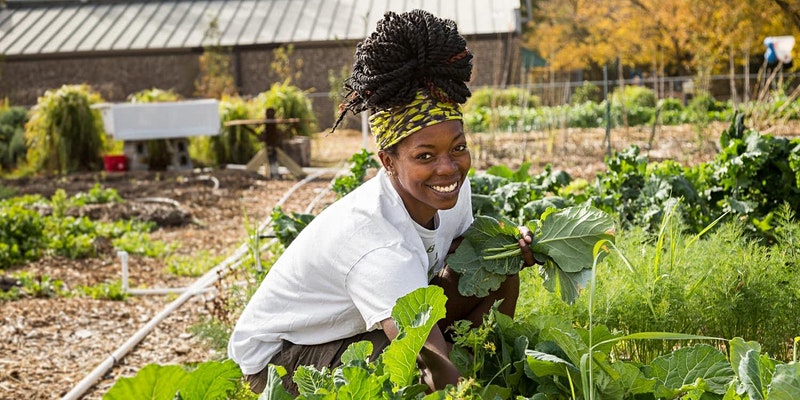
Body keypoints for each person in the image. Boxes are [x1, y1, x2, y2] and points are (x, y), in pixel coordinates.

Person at [227, 9, 536, 395]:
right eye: (425, 156)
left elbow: (465, 254)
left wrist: (507, 245)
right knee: (411, 371)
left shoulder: (455, 190)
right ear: (388, 161)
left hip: (353, 326)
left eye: (458, 148)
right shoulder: (376, 243)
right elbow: (425, 353)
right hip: (281, 361)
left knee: (497, 266)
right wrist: (450, 385)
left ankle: (485, 365)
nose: (448, 169)